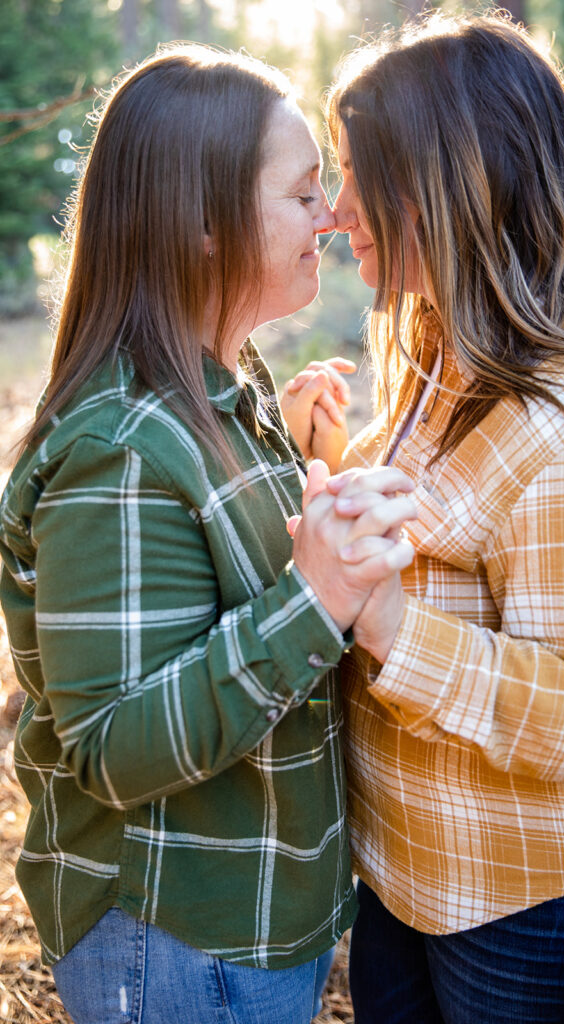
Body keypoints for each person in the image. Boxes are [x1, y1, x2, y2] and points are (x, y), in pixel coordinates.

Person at [0, 44, 417, 1024]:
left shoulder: (230, 389)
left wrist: (312, 460)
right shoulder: (123, 448)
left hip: (254, 917)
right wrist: (315, 596)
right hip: (176, 934)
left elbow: (233, 587)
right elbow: (109, 742)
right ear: (198, 224)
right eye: (301, 191)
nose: (329, 215)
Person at [284, 12, 564, 1023]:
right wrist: (324, 455)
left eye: (354, 173)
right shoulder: (445, 346)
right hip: (418, 867)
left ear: (446, 182)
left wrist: (388, 631)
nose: (333, 210)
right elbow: (444, 530)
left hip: (545, 895)